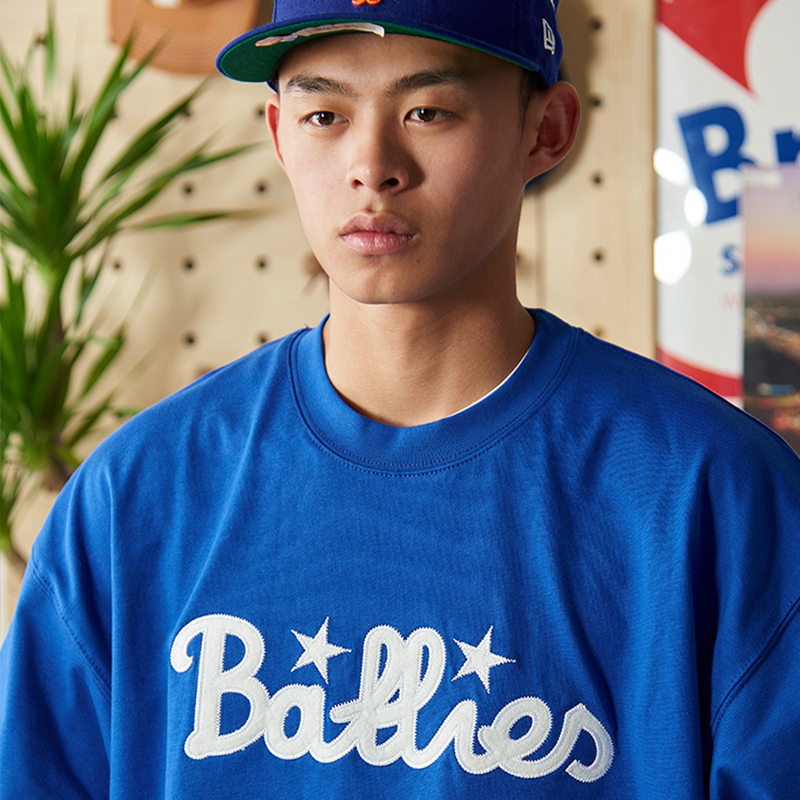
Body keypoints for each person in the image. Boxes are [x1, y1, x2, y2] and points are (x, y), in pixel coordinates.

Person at [2, 0, 799, 797]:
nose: (371, 166)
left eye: (428, 111)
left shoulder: (716, 493)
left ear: (547, 131)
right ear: (279, 134)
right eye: (324, 115)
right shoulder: (134, 496)